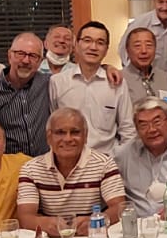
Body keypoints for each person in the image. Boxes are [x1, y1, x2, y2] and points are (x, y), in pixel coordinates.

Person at [15, 107, 126, 236]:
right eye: (60, 132)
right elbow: (25, 217)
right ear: (49, 137)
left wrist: (97, 221)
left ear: (85, 136)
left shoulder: (104, 164)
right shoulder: (30, 169)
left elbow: (119, 207)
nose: (68, 139)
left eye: (75, 132)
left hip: (93, 237)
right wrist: (46, 223)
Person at [50, 21, 134, 150]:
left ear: (106, 49)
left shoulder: (116, 82)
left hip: (107, 157)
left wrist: (122, 158)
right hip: (69, 156)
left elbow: (128, 129)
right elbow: (52, 126)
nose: (93, 47)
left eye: (100, 42)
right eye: (87, 40)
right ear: (76, 44)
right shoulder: (57, 82)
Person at [0, 32, 51, 157]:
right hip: (9, 166)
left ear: (40, 61)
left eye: (33, 56)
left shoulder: (48, 83)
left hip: (44, 164)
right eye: (20, 53)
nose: (26, 60)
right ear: (10, 56)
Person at [121, 27, 167, 107]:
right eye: (137, 46)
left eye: (149, 45)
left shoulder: (165, 78)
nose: (144, 51)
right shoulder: (119, 79)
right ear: (127, 50)